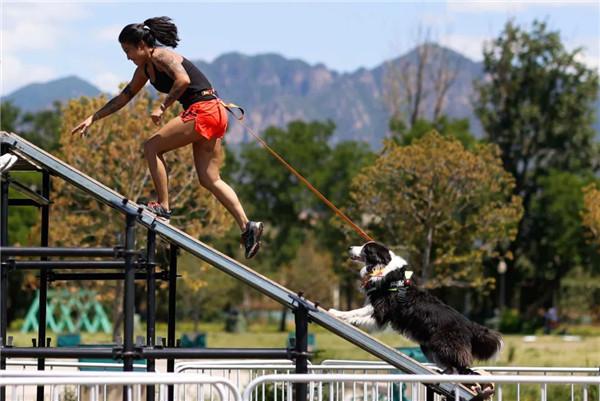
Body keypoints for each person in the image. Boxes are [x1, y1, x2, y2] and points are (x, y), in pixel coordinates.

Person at [71, 16, 263, 258]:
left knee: (151, 147)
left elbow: (183, 80)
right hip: (213, 112)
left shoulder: (162, 56)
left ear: (142, 45)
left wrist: (162, 107)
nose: (127, 56)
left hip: (203, 110)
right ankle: (248, 227)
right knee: (209, 178)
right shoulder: (144, 69)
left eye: (128, 50)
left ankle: (163, 207)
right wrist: (93, 117)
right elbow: (124, 96)